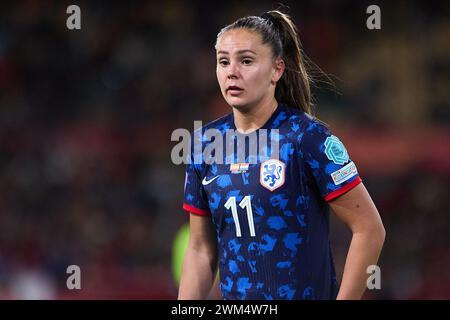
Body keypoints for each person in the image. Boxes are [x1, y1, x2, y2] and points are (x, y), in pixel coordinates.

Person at [178, 10, 385, 300]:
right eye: (223, 61)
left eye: (246, 61)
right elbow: (201, 249)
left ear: (277, 69)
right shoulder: (205, 145)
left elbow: (369, 229)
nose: (232, 71)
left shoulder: (307, 138)